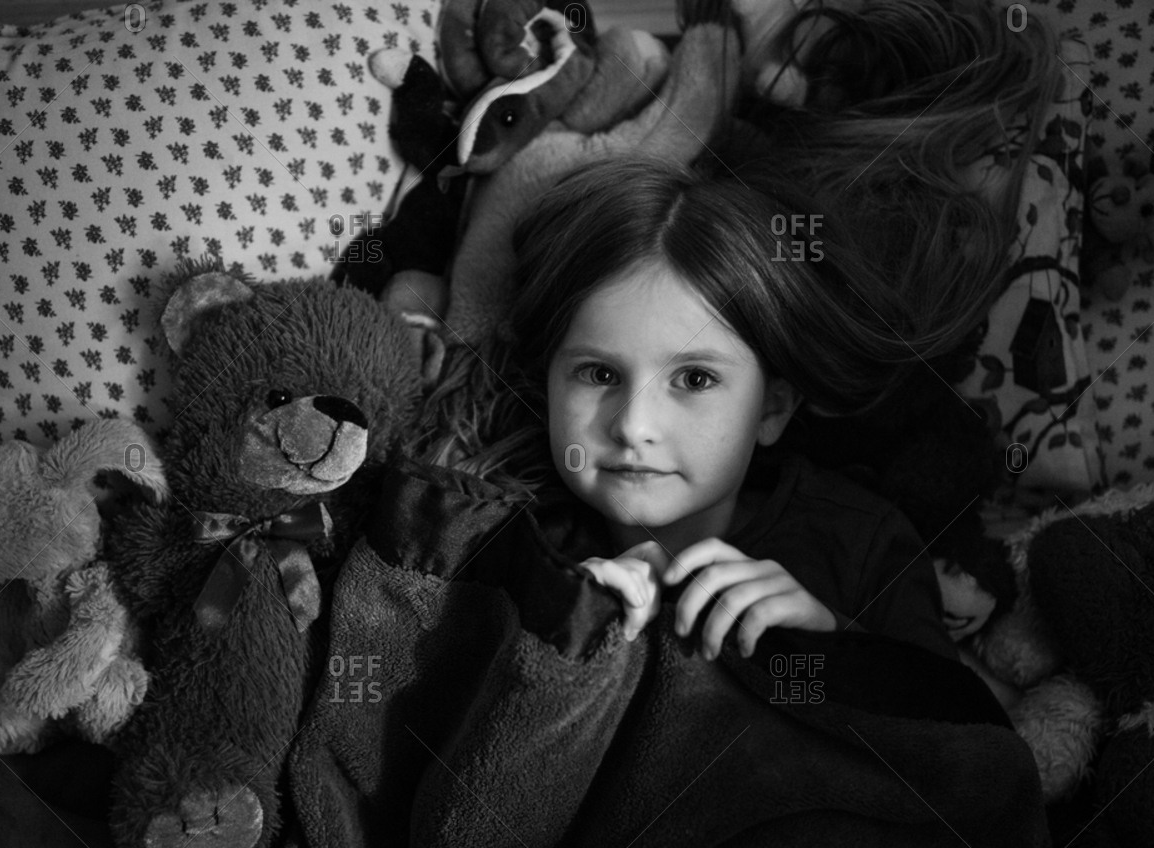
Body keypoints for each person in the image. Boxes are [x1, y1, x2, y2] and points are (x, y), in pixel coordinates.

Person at [414, 0, 1067, 664]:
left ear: (774, 407)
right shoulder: (507, 535)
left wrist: (830, 642)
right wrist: (553, 631)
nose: (634, 425)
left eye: (695, 379)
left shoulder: (858, 542)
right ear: (546, 375)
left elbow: (964, 745)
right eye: (598, 373)